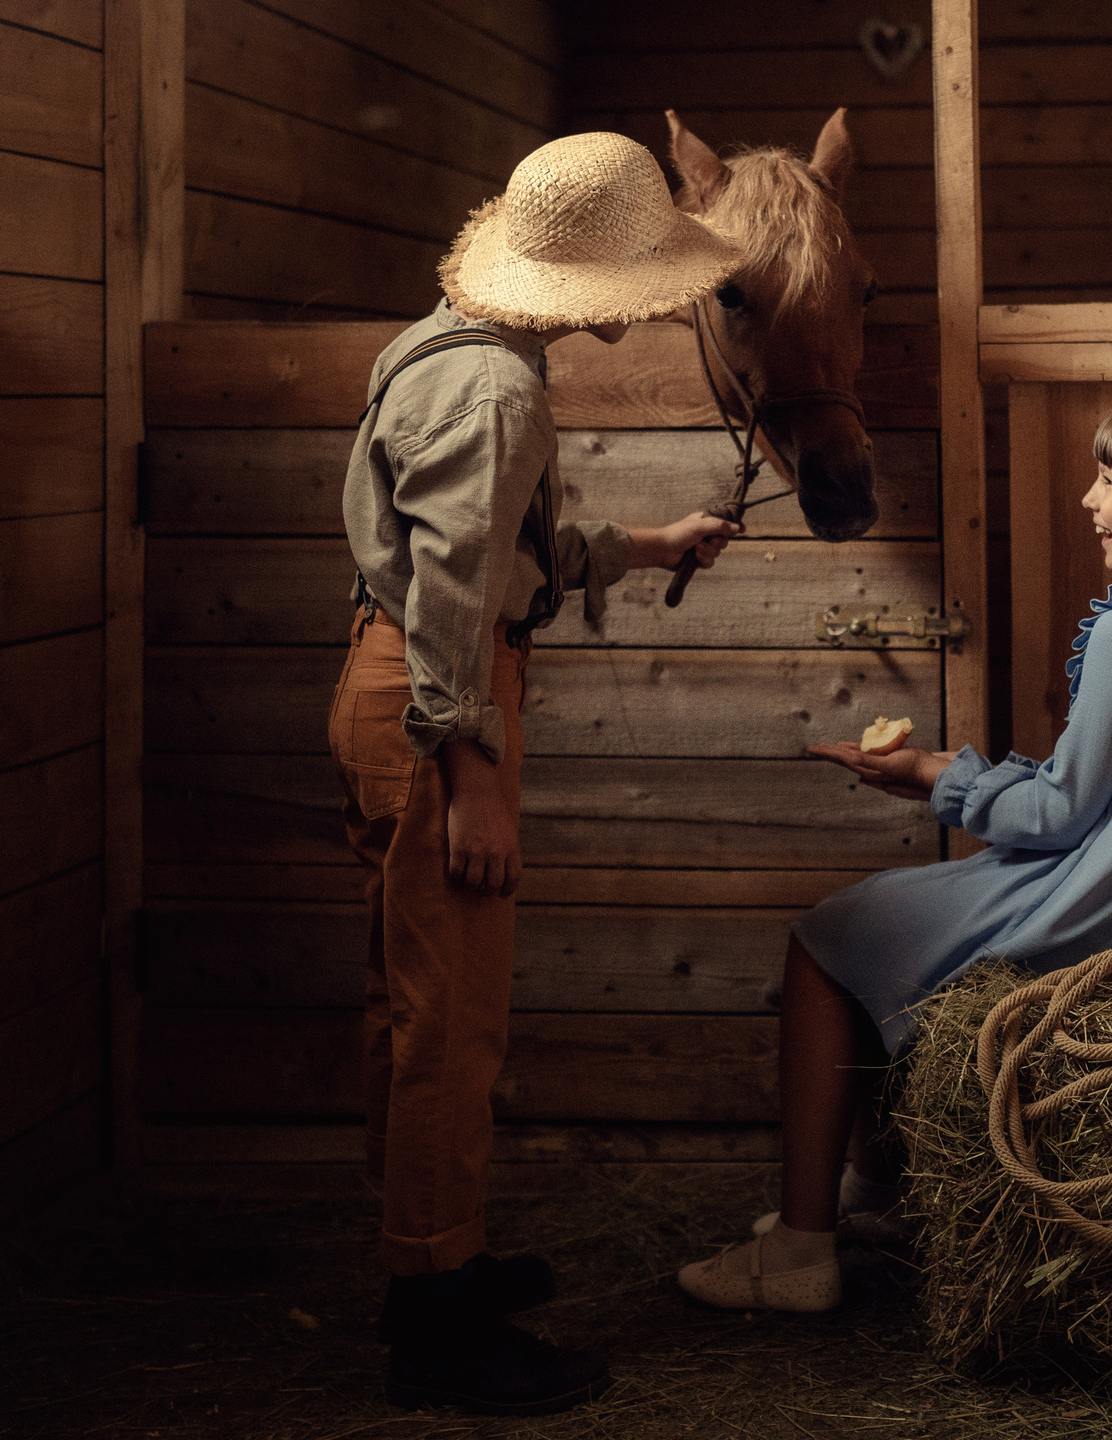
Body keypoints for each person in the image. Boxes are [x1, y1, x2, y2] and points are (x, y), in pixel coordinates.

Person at [675, 380, 1112, 1312]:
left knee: (828, 936)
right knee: (888, 923)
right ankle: (873, 1199)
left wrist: (940, 776)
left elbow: (1057, 815)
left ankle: (801, 1251)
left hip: (1098, 912)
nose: (1088, 502)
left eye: (1106, 483)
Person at [334, 131, 745, 1414]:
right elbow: (455, 591)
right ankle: (435, 1321)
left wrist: (636, 541)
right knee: (450, 1026)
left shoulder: (450, 346)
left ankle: (435, 1260)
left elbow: (480, 548)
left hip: (403, 676)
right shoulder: (498, 391)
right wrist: (475, 772)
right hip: (435, 699)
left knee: (421, 1010)